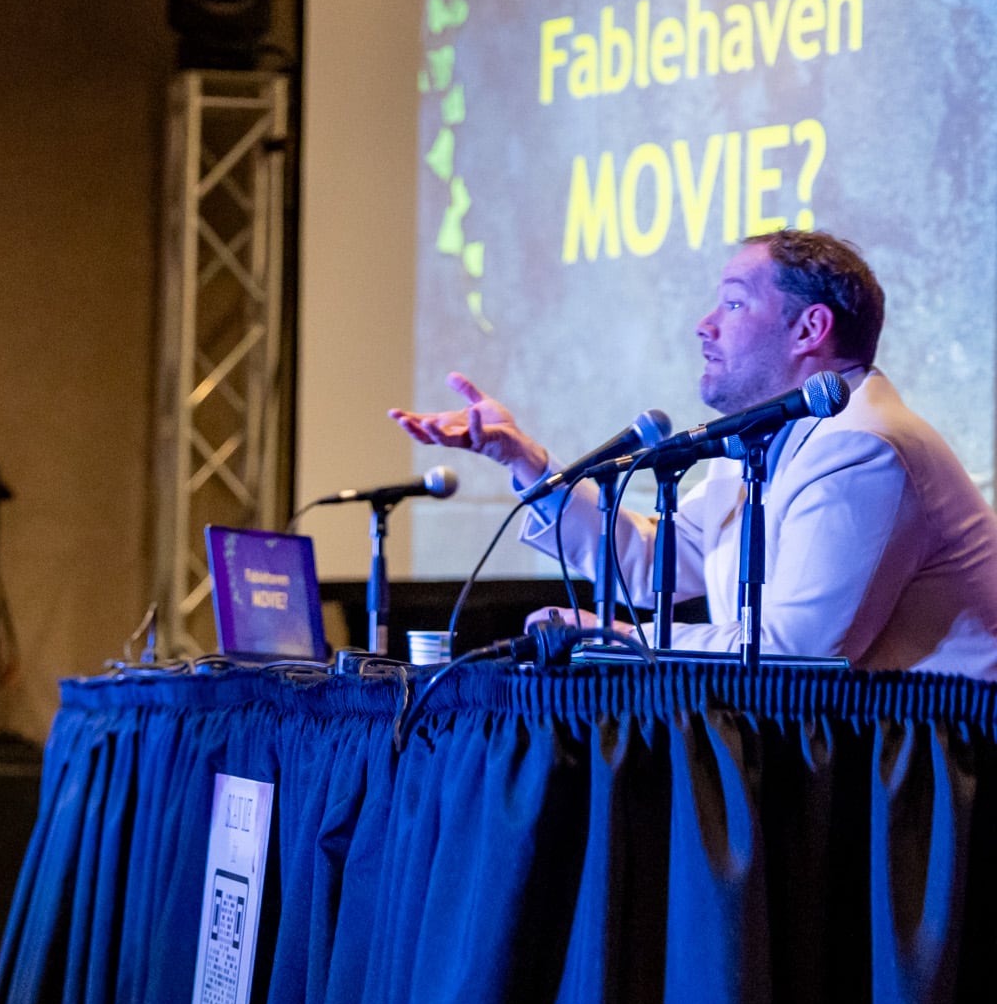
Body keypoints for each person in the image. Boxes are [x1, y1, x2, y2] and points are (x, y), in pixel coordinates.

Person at [394, 231, 997, 674]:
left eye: (733, 303)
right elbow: (645, 564)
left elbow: (798, 649)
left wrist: (624, 640)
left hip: (938, 761)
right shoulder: (761, 442)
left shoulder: (864, 447)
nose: (704, 325)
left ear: (810, 330)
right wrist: (522, 459)